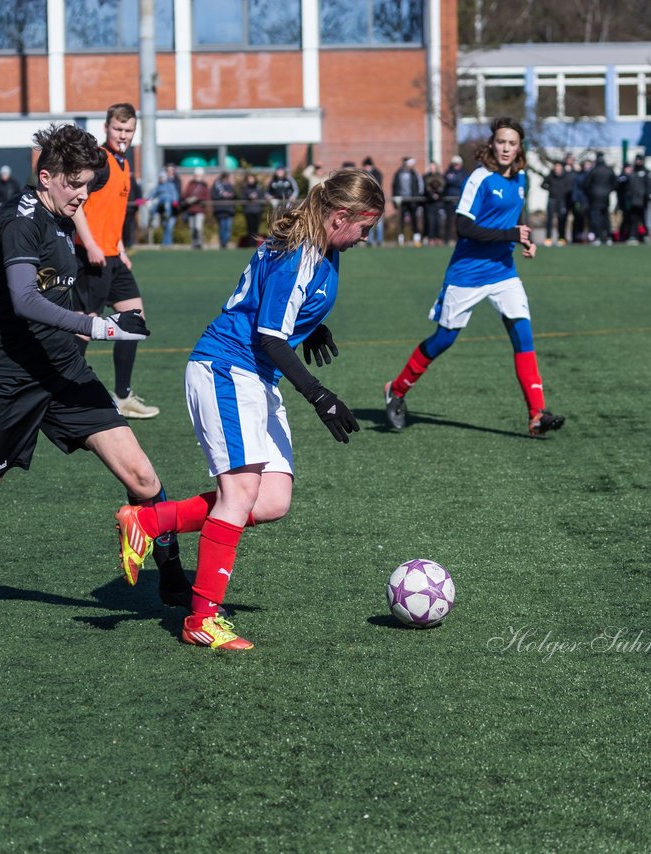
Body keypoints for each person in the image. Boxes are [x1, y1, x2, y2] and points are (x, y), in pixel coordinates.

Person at [0, 123, 182, 618]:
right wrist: (96, 326)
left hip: (61, 369)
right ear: (45, 176)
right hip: (1, 378)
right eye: (73, 183)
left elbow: (47, 288)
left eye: (89, 183)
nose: (82, 193)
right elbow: (27, 300)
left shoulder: (63, 219)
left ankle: (175, 581)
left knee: (141, 475)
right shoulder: (19, 219)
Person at [112, 167, 385, 650]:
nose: (367, 236)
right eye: (365, 226)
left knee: (272, 499)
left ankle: (149, 522)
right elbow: (267, 335)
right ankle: (202, 619)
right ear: (340, 216)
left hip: (255, 376)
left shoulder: (322, 244)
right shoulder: (302, 252)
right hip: (227, 368)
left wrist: (312, 324)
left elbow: (276, 306)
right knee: (238, 494)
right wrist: (319, 395)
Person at [382, 117, 564, 439]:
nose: (506, 148)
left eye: (512, 142)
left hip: (504, 273)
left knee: (523, 336)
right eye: (501, 142)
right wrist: (510, 232)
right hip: (467, 274)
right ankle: (396, 390)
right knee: (444, 339)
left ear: (520, 147)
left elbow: (516, 215)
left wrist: (525, 239)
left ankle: (536, 414)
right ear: (492, 144)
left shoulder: (521, 178)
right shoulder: (479, 178)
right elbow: (463, 227)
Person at [70, 102, 162, 421]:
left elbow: (113, 211)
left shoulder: (124, 163)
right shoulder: (98, 161)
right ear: (106, 128)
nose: (123, 135)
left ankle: (122, 396)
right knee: (84, 326)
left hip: (112, 255)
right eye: (117, 129)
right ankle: (63, 393)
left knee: (134, 320)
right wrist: (92, 245)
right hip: (91, 256)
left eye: (128, 130)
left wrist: (120, 246)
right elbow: (76, 204)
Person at [392, 156, 425, 246]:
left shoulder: (414, 174)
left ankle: (416, 239)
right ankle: (400, 239)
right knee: (401, 220)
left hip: (412, 200)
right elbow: (395, 186)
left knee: (414, 219)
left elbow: (418, 186)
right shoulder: (398, 173)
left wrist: (417, 198)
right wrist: (395, 199)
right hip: (402, 200)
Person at [541, 160, 573, 246]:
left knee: (561, 220)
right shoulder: (550, 176)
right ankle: (548, 238)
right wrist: (550, 189)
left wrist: (563, 193)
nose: (557, 169)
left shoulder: (566, 177)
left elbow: (569, 187)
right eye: (556, 167)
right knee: (549, 220)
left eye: (559, 167)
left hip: (562, 201)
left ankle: (561, 238)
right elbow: (543, 185)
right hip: (552, 200)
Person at [586, 153, 615, 245]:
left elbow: (586, 184)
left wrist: (591, 192)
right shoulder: (609, 170)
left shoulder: (593, 170)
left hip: (595, 198)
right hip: (605, 197)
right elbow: (615, 183)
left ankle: (598, 237)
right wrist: (608, 190)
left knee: (596, 218)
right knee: (606, 217)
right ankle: (608, 237)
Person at [621, 155, 650, 243]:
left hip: (642, 201)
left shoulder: (646, 172)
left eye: (639, 160)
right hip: (633, 200)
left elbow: (648, 186)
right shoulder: (631, 173)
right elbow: (624, 183)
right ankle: (633, 236)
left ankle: (646, 235)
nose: (638, 162)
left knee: (643, 219)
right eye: (637, 160)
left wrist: (646, 197)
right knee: (633, 219)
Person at [147, 170, 179, 245]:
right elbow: (152, 193)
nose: (161, 179)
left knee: (167, 225)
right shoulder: (158, 186)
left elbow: (174, 194)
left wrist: (175, 201)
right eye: (160, 177)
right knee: (156, 202)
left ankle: (167, 242)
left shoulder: (170, 185)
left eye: (163, 177)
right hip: (161, 205)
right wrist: (148, 199)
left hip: (169, 206)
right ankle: (152, 215)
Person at [181, 167, 210, 249]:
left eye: (199, 175)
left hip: (200, 209)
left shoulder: (204, 185)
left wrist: (197, 198)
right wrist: (187, 199)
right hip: (190, 209)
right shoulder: (190, 184)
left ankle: (199, 243)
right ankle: (193, 243)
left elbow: (206, 197)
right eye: (196, 175)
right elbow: (185, 194)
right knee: (192, 228)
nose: (198, 176)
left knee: (198, 227)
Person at [363, 156, 387, 246]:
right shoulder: (366, 173)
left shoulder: (376, 174)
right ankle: (370, 240)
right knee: (369, 222)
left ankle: (379, 240)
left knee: (379, 223)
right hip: (368, 203)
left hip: (376, 202)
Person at [211, 171, 237, 249]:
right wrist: (222, 195)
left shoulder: (230, 186)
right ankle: (222, 243)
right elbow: (213, 195)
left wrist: (231, 195)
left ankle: (226, 242)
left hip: (229, 210)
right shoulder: (217, 185)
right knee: (222, 227)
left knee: (228, 227)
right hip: (220, 210)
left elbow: (235, 195)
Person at [423, 161, 447, 246]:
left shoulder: (440, 176)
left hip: (439, 202)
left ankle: (439, 237)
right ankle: (431, 238)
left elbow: (443, 186)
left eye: (433, 167)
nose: (432, 168)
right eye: (430, 167)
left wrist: (438, 195)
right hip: (430, 202)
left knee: (438, 221)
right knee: (430, 221)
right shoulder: (426, 177)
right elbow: (426, 187)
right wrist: (432, 195)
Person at [240, 171, 265, 242]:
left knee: (256, 228)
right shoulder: (245, 188)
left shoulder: (259, 188)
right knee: (250, 228)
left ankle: (255, 242)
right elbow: (242, 198)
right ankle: (250, 242)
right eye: (249, 179)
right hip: (248, 210)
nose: (251, 180)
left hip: (257, 210)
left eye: (252, 178)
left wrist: (257, 198)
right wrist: (249, 197)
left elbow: (262, 197)